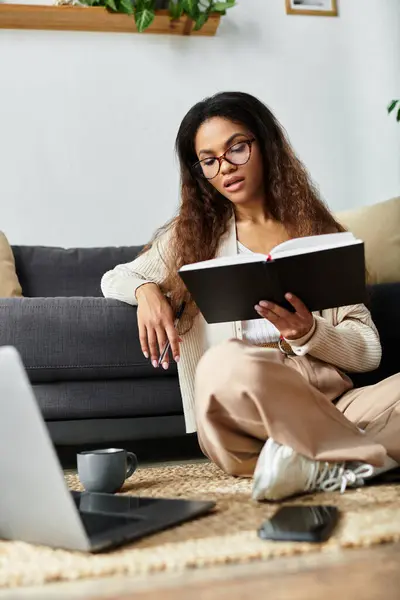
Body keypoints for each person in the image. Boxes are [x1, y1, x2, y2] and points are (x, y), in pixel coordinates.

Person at [101, 91, 400, 501]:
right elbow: (116, 277)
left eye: (236, 148)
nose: (225, 167)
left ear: (264, 143)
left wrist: (310, 332)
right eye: (209, 160)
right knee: (224, 361)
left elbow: (368, 351)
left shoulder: (318, 235)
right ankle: (353, 457)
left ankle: (311, 463)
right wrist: (146, 289)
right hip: (242, 426)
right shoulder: (193, 236)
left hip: (331, 406)